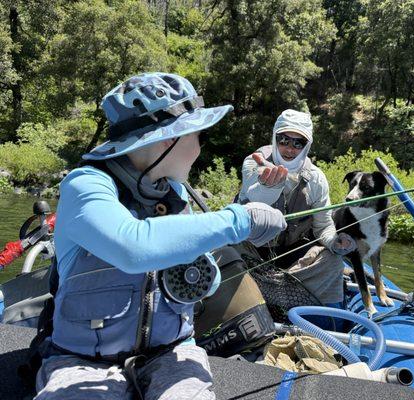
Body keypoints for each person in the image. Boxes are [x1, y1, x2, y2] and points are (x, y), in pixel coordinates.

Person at [34, 72, 286, 400]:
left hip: (171, 353)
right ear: (169, 139)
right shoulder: (85, 186)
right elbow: (133, 245)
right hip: (80, 361)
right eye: (198, 135)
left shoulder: (175, 193)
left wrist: (252, 202)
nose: (199, 147)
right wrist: (238, 219)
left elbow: (198, 276)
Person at [238, 109, 355, 319]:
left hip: (292, 256)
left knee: (333, 261)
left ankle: (326, 322)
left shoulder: (316, 179)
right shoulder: (254, 163)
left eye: (298, 142)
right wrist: (268, 187)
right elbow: (254, 196)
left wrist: (334, 242)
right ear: (275, 138)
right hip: (250, 254)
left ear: (307, 145)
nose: (289, 148)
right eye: (283, 140)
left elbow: (323, 226)